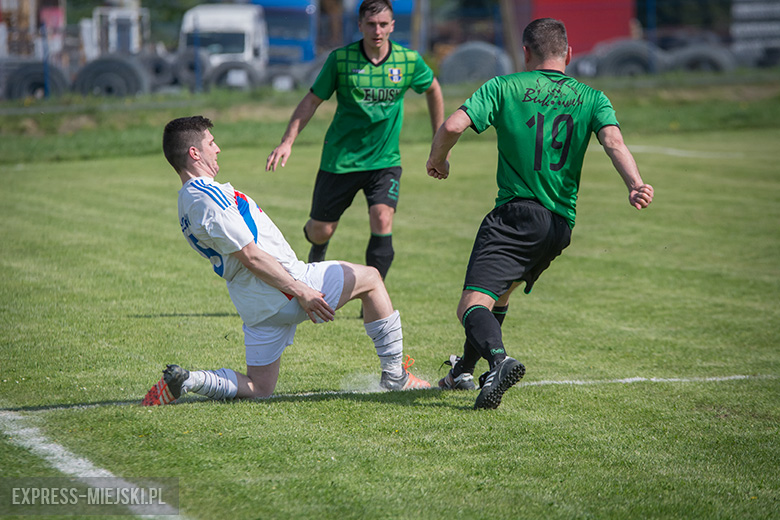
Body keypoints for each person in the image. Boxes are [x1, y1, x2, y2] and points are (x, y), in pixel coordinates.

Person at [425, 18, 654, 410]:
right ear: (568, 53)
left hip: (516, 214)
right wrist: (635, 183)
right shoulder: (592, 97)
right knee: (500, 294)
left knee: (470, 305)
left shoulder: (504, 86)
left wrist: (437, 158)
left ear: (526, 53)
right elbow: (613, 141)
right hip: (559, 225)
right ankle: (464, 368)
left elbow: (453, 124)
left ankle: (499, 362)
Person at [143, 116, 430, 406]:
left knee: (258, 387)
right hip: (283, 287)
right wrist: (300, 290)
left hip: (254, 302)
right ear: (194, 153)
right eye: (211, 143)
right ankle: (396, 377)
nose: (217, 149)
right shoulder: (208, 195)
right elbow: (251, 255)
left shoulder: (185, 201)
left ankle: (190, 380)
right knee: (370, 279)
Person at [266, 0, 444, 286]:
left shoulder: (408, 61)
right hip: (340, 159)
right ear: (360, 25)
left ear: (392, 26)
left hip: (384, 161)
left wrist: (439, 139)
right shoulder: (341, 60)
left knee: (383, 220)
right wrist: (287, 142)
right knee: (321, 230)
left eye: (383, 24)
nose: (377, 30)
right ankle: (318, 245)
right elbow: (312, 100)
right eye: (371, 24)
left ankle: (373, 295)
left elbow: (433, 88)